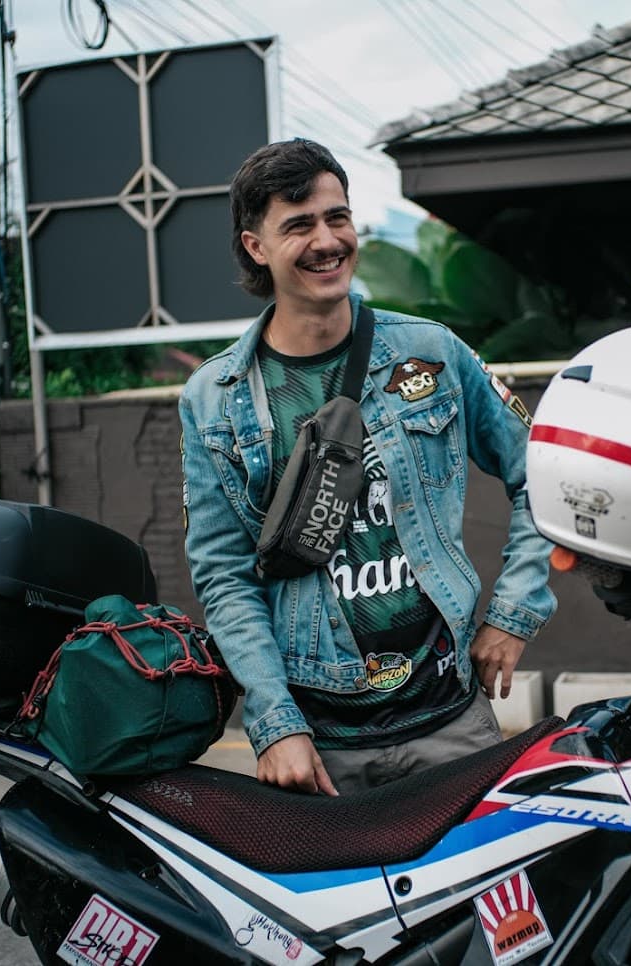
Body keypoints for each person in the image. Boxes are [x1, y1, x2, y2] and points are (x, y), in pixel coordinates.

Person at [178, 138, 555, 795]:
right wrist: (273, 720)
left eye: (337, 217)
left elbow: (541, 473)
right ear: (255, 246)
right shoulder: (216, 399)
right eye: (298, 225)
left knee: (490, 898)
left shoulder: (430, 353)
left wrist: (513, 612)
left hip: (451, 719)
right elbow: (225, 576)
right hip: (321, 747)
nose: (327, 241)